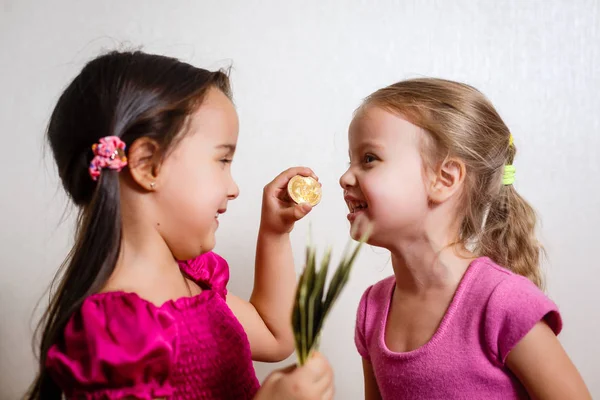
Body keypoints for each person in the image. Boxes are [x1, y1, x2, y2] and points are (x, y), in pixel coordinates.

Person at [26, 50, 333, 400]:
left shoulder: (194, 280)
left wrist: (276, 233)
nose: (233, 188)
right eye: (222, 160)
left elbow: (275, 336)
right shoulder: (117, 334)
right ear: (147, 165)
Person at [340, 78, 591, 399]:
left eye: (369, 159)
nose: (345, 177)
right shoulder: (373, 310)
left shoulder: (503, 302)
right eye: (351, 160)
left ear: (444, 179)